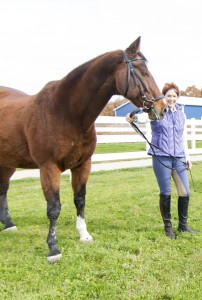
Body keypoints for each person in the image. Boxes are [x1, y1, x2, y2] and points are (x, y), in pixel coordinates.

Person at [126, 82, 197, 239]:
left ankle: (183, 226)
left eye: (174, 96)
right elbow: (143, 119)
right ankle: (168, 227)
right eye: (168, 96)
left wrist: (187, 157)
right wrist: (134, 117)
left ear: (177, 97)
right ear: (164, 97)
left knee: (185, 192)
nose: (171, 99)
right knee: (166, 192)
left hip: (178, 157)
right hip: (161, 156)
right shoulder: (157, 111)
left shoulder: (181, 114)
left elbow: (183, 137)